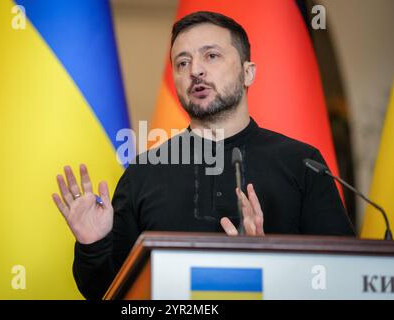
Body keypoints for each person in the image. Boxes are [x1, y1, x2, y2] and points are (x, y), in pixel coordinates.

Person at [52, 11, 355, 300]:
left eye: (211, 56)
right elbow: (108, 293)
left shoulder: (303, 163)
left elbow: (344, 281)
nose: (195, 70)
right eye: (182, 63)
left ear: (248, 72)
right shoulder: (143, 173)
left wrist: (269, 264)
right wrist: (93, 245)